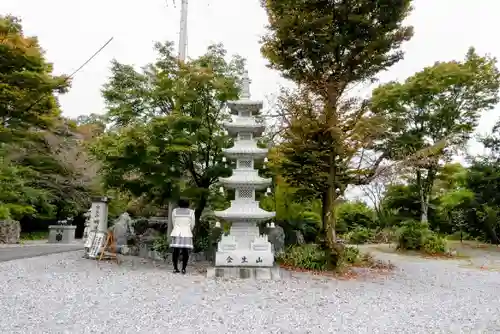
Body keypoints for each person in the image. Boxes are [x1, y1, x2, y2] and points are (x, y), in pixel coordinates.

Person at [170, 198, 195, 274]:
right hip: (186, 233)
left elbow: (173, 222)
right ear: (188, 204)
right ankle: (183, 269)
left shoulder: (175, 211)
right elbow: (193, 224)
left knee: (175, 251)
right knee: (185, 251)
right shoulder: (191, 212)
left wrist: (176, 228)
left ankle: (175, 268)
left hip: (177, 232)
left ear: (179, 204)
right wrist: (188, 229)